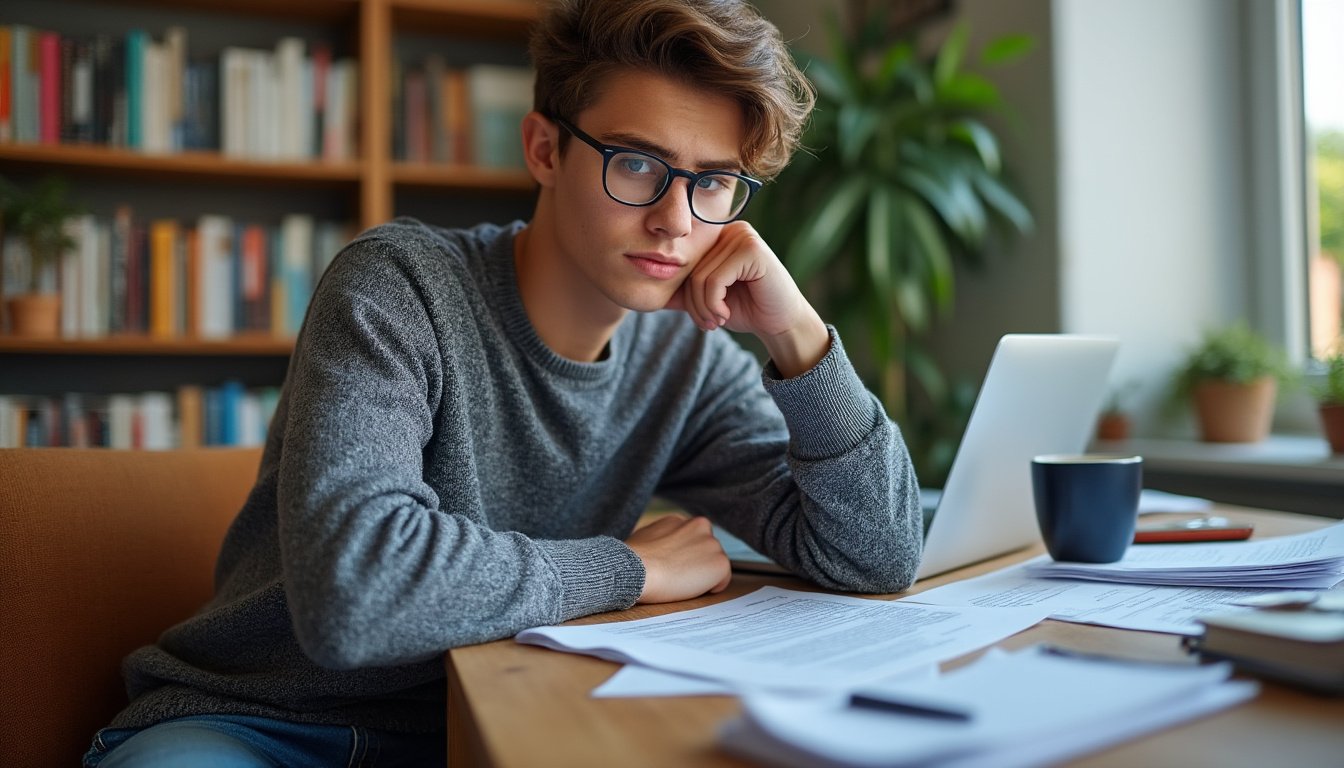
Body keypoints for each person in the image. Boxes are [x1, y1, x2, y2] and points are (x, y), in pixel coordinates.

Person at [82, 0, 922, 765]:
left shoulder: (686, 360)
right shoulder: (399, 287)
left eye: (713, 182)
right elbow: (354, 595)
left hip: (492, 732)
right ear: (545, 150)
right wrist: (627, 569)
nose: (676, 219)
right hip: (257, 727)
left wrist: (797, 335)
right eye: (637, 164)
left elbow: (875, 554)